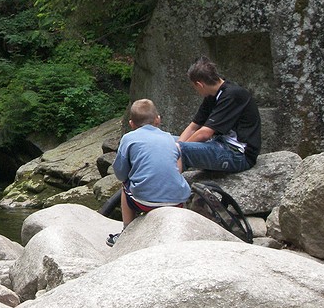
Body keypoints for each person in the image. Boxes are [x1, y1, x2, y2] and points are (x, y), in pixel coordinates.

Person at [107, 99, 191, 246]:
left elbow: (120, 174)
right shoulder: (170, 138)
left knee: (125, 185)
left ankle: (126, 232)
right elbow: (178, 168)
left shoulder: (128, 139)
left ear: (131, 123)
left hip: (145, 203)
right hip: (177, 201)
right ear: (158, 119)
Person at [177, 56, 261, 173]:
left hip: (238, 155)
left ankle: (169, 188)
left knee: (181, 150)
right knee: (167, 142)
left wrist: (179, 150)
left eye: (194, 87)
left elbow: (204, 133)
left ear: (200, 85)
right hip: (218, 144)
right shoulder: (211, 95)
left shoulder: (232, 94)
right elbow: (193, 127)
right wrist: (176, 146)